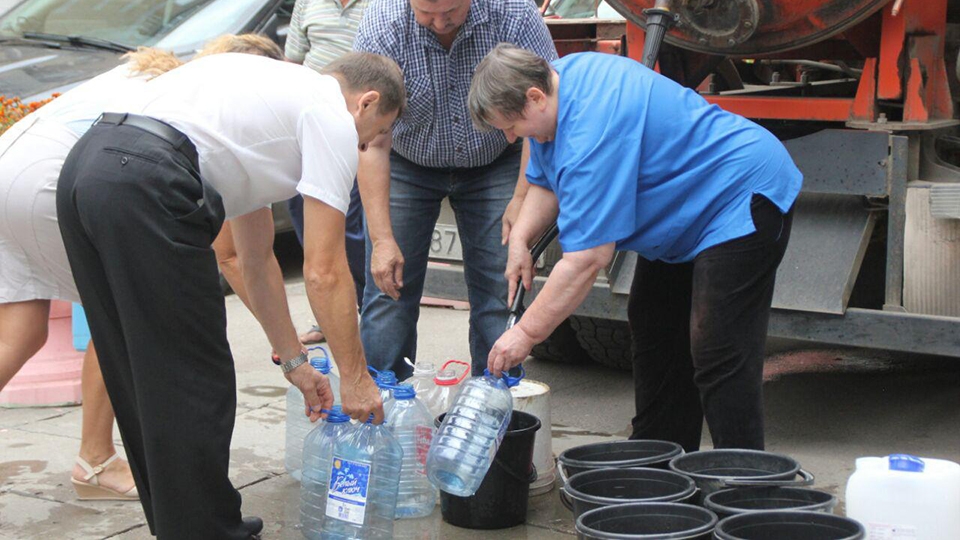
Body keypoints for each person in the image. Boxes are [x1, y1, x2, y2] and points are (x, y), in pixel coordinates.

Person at [56, 51, 403, 539]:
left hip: (87, 166)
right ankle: (208, 531)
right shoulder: (330, 115)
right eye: (372, 137)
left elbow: (254, 259)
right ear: (366, 103)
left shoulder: (268, 96)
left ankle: (191, 524)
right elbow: (325, 271)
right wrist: (357, 378)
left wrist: (296, 364)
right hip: (148, 177)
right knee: (195, 376)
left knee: (139, 368)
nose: (364, 147)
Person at [471, 45, 803, 452]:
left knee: (717, 345)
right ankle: (661, 463)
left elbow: (587, 260)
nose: (510, 137)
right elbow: (543, 179)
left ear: (535, 97)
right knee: (653, 320)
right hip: (684, 213)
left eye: (511, 126)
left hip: (740, 195)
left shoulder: (592, 129)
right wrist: (522, 238)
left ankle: (743, 481)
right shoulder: (554, 83)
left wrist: (525, 334)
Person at [0, 38, 273, 502]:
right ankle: (95, 460)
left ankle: (95, 459)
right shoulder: (202, 108)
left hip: (10, 162)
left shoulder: (158, 72)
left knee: (19, 333)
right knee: (122, 314)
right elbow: (233, 255)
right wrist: (287, 348)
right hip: (51, 174)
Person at [352, 0, 557, 379]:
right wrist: (381, 239)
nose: (440, 22)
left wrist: (521, 196)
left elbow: (541, 110)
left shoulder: (512, 13)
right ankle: (379, 408)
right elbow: (372, 141)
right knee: (387, 291)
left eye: (451, 10)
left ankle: (497, 407)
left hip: (497, 160)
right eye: (427, 14)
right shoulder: (383, 24)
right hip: (405, 160)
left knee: (502, 288)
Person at [283, 0, 372, 344]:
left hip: (351, 124)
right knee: (305, 219)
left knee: (348, 227)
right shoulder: (308, 3)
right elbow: (292, 61)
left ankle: (363, 308)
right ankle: (327, 314)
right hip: (307, 124)